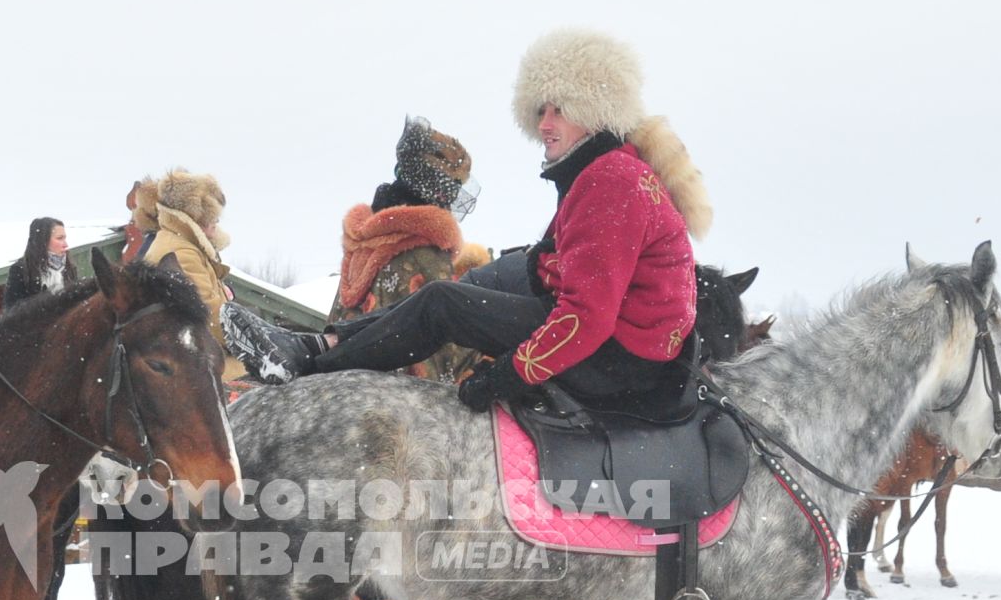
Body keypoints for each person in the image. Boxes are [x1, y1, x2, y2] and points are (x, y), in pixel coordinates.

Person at [224, 28, 711, 413]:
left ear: (595, 109)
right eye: (540, 110)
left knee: (442, 300)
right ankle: (313, 344)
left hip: (618, 359)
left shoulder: (611, 181)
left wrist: (512, 374)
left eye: (559, 110)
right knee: (478, 281)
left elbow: (589, 316)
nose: (544, 124)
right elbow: (567, 266)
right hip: (628, 346)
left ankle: (312, 368)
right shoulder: (607, 172)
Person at [328, 116, 480, 383]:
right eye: (452, 186)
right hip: (400, 403)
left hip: (343, 382)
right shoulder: (426, 254)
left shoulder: (363, 241)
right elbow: (448, 352)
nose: (454, 197)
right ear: (435, 188)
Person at [142, 167, 244, 382]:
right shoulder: (181, 251)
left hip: (196, 357)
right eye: (212, 217)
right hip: (198, 365)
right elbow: (209, 315)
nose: (217, 222)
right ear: (196, 217)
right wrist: (250, 342)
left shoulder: (180, 244)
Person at [3, 216, 78, 307]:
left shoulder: (70, 268)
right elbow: (12, 311)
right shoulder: (20, 270)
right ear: (43, 240)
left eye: (64, 238)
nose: (66, 244)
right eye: (59, 238)